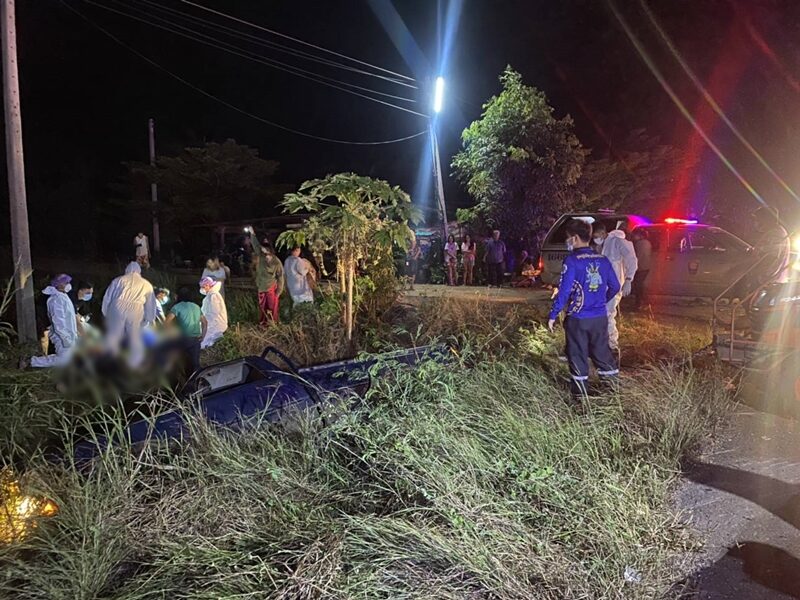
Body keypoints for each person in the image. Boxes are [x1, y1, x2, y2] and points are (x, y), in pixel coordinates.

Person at [548, 219, 621, 400]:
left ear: (574, 238)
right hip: (599, 317)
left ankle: (581, 400)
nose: (567, 242)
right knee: (602, 354)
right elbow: (615, 286)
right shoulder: (602, 260)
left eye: (567, 238)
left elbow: (564, 291)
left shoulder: (572, 261)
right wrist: (600, 301)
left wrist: (553, 314)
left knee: (577, 355)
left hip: (578, 318)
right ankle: (614, 395)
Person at [102, 261, 157, 368]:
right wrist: (148, 318)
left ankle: (110, 362)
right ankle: (134, 364)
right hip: (135, 310)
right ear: (139, 271)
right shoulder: (146, 284)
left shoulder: (118, 280)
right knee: (135, 337)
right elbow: (151, 304)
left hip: (117, 306)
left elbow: (107, 297)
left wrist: (107, 313)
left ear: (126, 270)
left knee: (114, 335)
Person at [592, 221, 637, 350]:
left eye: (596, 235)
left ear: (602, 232)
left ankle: (612, 345)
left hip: (615, 285)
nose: (595, 239)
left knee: (608, 313)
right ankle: (603, 342)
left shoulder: (617, 241)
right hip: (603, 285)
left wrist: (629, 279)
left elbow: (632, 259)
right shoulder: (603, 246)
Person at [23, 274, 78, 369]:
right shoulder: (56, 300)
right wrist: (66, 338)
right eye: (66, 282)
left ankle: (31, 362)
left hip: (68, 334)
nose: (69, 284)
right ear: (59, 284)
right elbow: (58, 322)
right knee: (63, 360)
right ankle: (30, 361)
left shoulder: (63, 296)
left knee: (68, 359)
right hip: (61, 335)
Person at [248, 229, 284, 325]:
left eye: (264, 250)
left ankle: (273, 324)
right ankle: (263, 324)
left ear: (269, 251)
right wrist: (252, 234)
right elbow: (256, 246)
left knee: (272, 308)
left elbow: (280, 277)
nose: (262, 251)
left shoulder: (276, 262)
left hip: (271, 287)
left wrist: (279, 291)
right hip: (261, 287)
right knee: (262, 308)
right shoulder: (261, 257)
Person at [165, 286, 203, 373]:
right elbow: (205, 322)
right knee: (195, 365)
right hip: (196, 340)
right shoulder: (196, 306)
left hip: (183, 339)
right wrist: (203, 335)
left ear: (178, 296)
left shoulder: (177, 307)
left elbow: (166, 323)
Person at [199, 276, 228, 349]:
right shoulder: (210, 296)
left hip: (216, 323)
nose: (202, 288)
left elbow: (214, 313)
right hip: (210, 322)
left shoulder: (214, 296)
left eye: (203, 286)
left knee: (202, 342)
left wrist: (204, 320)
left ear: (207, 285)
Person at [631, 229, 652, 310]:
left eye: (634, 235)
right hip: (645, 267)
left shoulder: (640, 243)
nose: (633, 237)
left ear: (639, 235)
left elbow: (637, 256)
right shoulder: (648, 243)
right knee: (640, 285)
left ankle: (640, 303)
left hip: (640, 268)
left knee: (638, 286)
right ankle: (643, 302)